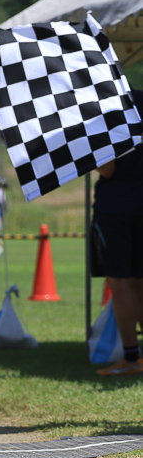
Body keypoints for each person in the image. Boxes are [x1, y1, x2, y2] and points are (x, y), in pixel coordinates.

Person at [92, 88, 143, 377]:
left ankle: (131, 356)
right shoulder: (139, 100)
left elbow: (107, 169)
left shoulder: (106, 112)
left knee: (120, 283)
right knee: (140, 282)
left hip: (116, 209)